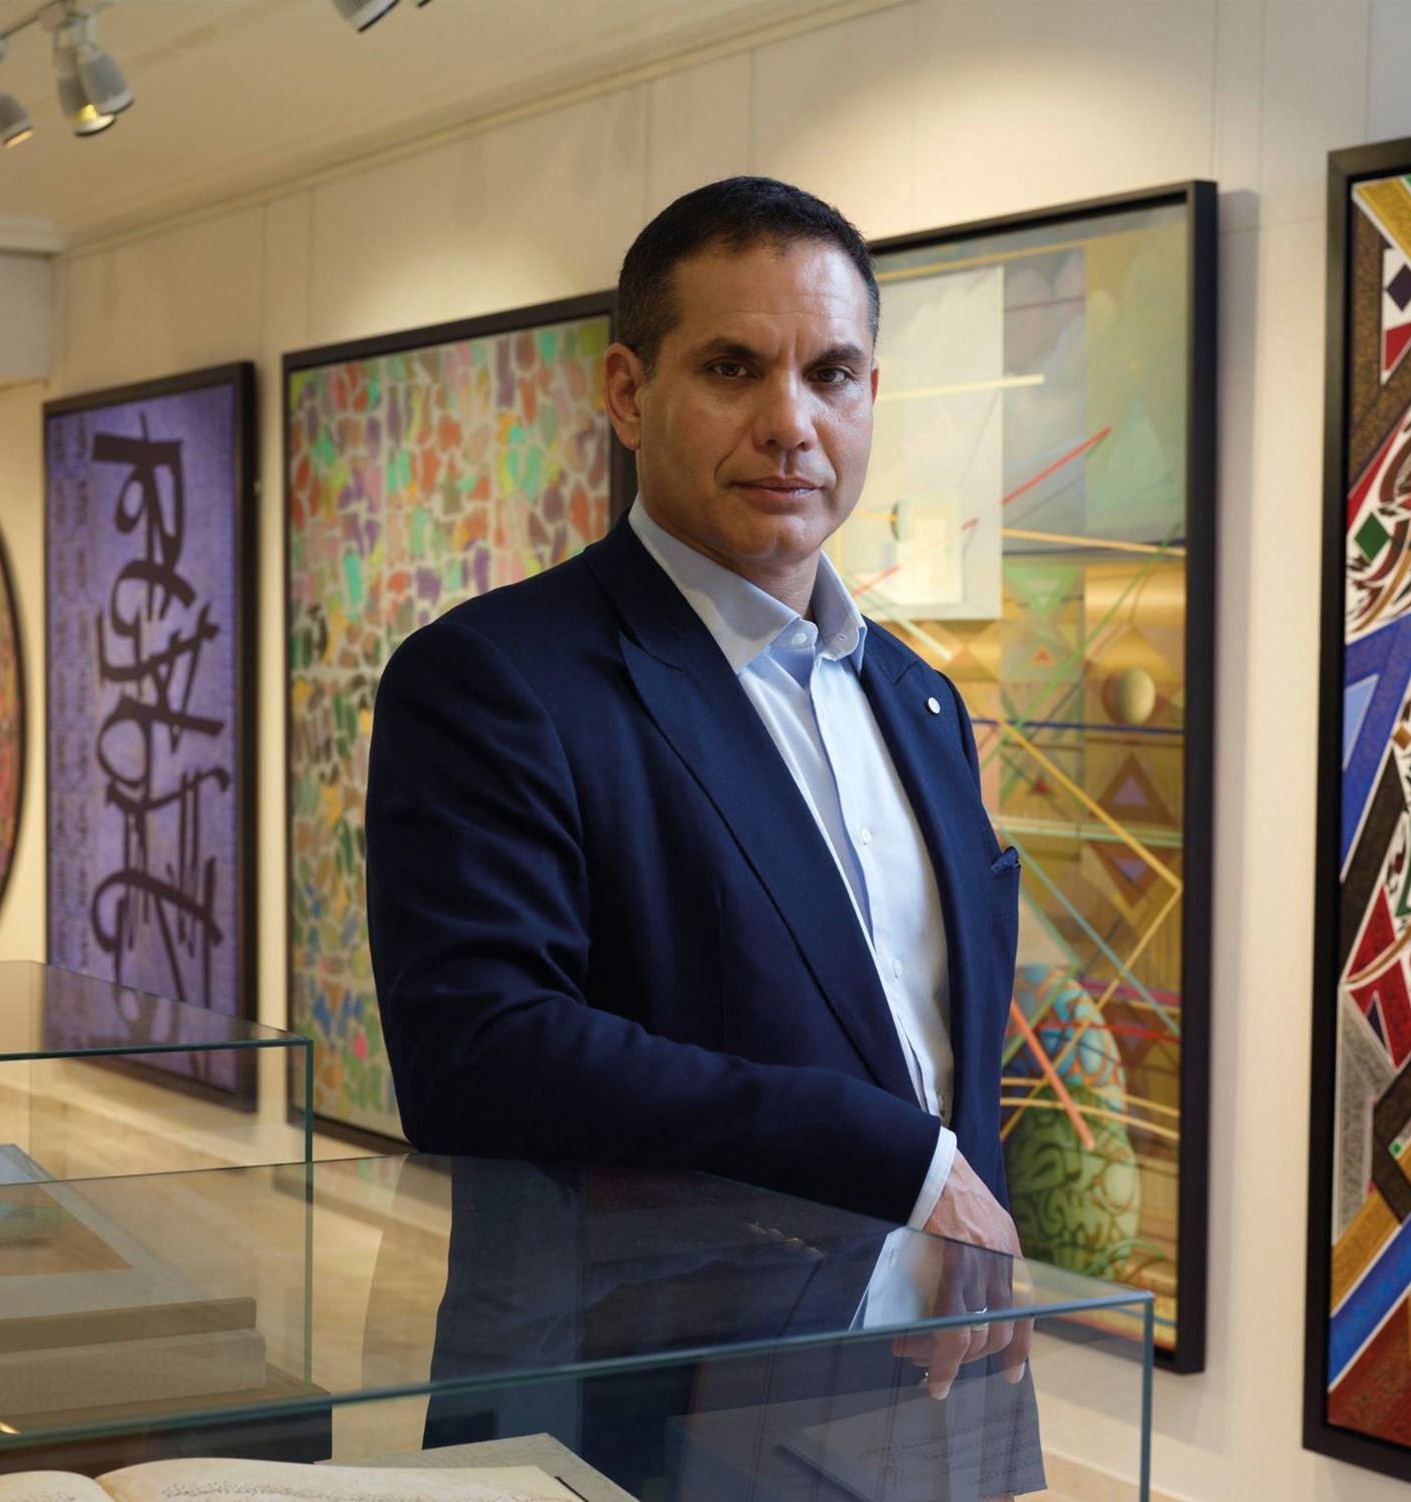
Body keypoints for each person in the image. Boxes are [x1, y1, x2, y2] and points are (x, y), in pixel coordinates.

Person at [367, 176, 1028, 1403]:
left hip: (935, 1379)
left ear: (870, 394)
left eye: (831, 374)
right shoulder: (496, 678)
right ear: (628, 392)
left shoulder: (921, 700)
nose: (790, 423)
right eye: (734, 369)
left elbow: (938, 1059)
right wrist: (887, 1156)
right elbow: (478, 1052)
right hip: (644, 1397)